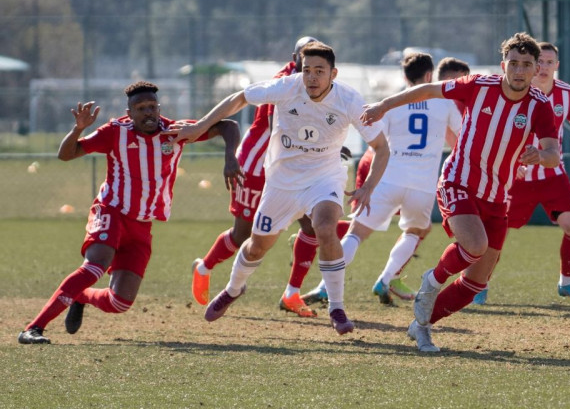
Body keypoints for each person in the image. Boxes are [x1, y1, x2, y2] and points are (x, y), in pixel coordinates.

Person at [172, 41, 389, 335]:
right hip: (282, 181)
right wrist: (200, 126)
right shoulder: (287, 86)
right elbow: (240, 98)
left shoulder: (349, 100)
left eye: (319, 71)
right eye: (307, 70)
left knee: (325, 228)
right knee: (257, 244)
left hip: (324, 177)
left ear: (333, 74)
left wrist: (368, 188)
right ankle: (234, 289)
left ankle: (336, 307)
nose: (311, 77)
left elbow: (381, 147)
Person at [362, 32, 560, 352]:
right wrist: (385, 104)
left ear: (536, 68)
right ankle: (432, 280)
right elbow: (429, 89)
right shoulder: (479, 85)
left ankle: (421, 326)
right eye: (514, 63)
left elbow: (553, 153)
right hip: (458, 182)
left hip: (497, 197)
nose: (520, 70)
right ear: (503, 65)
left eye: (526, 64)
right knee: (475, 245)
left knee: (474, 284)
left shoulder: (539, 105)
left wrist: (541, 155)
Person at [18, 81, 241, 344]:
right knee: (94, 267)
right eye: (140, 107)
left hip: (142, 224)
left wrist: (230, 157)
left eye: (152, 107)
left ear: (159, 108)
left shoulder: (175, 131)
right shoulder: (114, 131)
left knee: (120, 302)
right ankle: (33, 329)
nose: (148, 112)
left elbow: (229, 126)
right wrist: (78, 128)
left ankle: (82, 296)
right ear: (129, 112)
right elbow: (66, 154)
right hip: (111, 210)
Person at [299, 57, 471, 305]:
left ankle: (325, 286)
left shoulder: (393, 103)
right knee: (416, 231)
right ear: (428, 76)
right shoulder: (442, 104)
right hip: (422, 186)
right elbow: (464, 133)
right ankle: (386, 278)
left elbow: (374, 138)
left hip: (389, 180)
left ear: (405, 77)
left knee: (356, 233)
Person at [474, 41, 570, 306]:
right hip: (516, 178)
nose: (543, 67)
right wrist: (510, 162)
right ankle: (479, 283)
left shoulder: (567, 94)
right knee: (495, 234)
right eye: (539, 62)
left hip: (553, 176)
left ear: (557, 65)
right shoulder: (516, 90)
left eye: (549, 62)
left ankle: (566, 283)